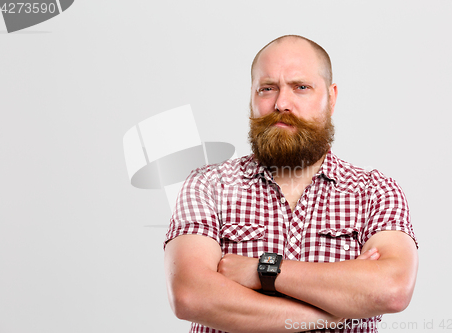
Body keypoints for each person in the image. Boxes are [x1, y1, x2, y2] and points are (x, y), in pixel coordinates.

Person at [164, 35, 418, 333]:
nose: (281, 103)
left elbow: (391, 289)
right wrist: (331, 313)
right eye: (268, 88)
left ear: (331, 97)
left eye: (301, 88)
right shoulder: (207, 186)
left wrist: (261, 269)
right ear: (251, 98)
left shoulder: (374, 191)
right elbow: (190, 295)